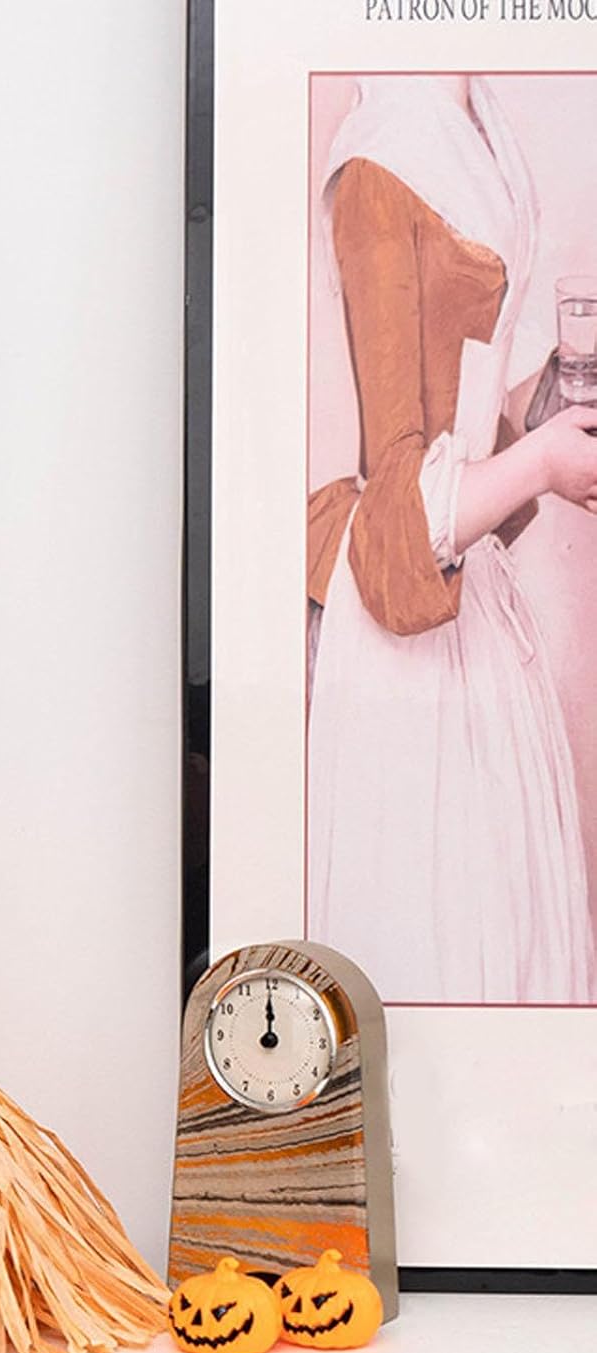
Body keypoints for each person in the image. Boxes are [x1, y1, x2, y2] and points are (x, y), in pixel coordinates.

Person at [307, 75, 597, 1004]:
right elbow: (397, 523)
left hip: (483, 628)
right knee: (440, 939)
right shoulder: (381, 159)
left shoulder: (483, 125)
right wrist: (545, 463)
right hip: (408, 663)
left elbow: (474, 425)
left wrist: (553, 399)